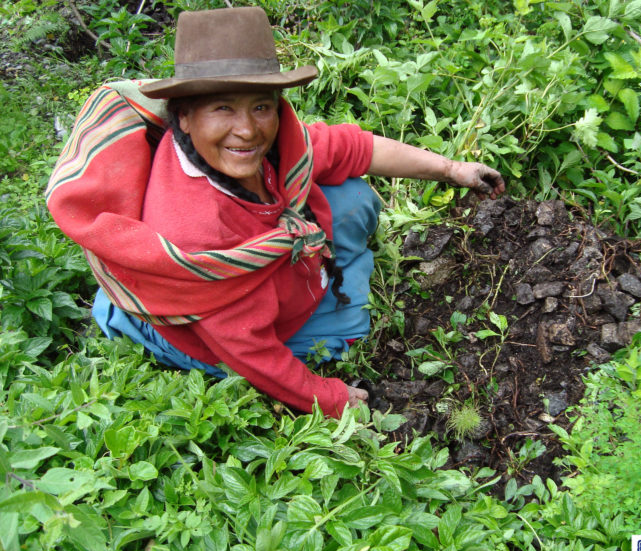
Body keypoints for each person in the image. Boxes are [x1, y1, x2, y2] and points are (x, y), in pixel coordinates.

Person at [46, 7, 505, 417]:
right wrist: (328, 398)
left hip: (258, 275)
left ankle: (301, 286)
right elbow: (249, 348)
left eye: (261, 106)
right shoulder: (197, 229)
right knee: (342, 340)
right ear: (183, 117)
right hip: (205, 325)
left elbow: (356, 147)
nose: (247, 130)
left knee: (353, 197)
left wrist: (451, 168)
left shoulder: (277, 140)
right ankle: (134, 325)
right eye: (223, 108)